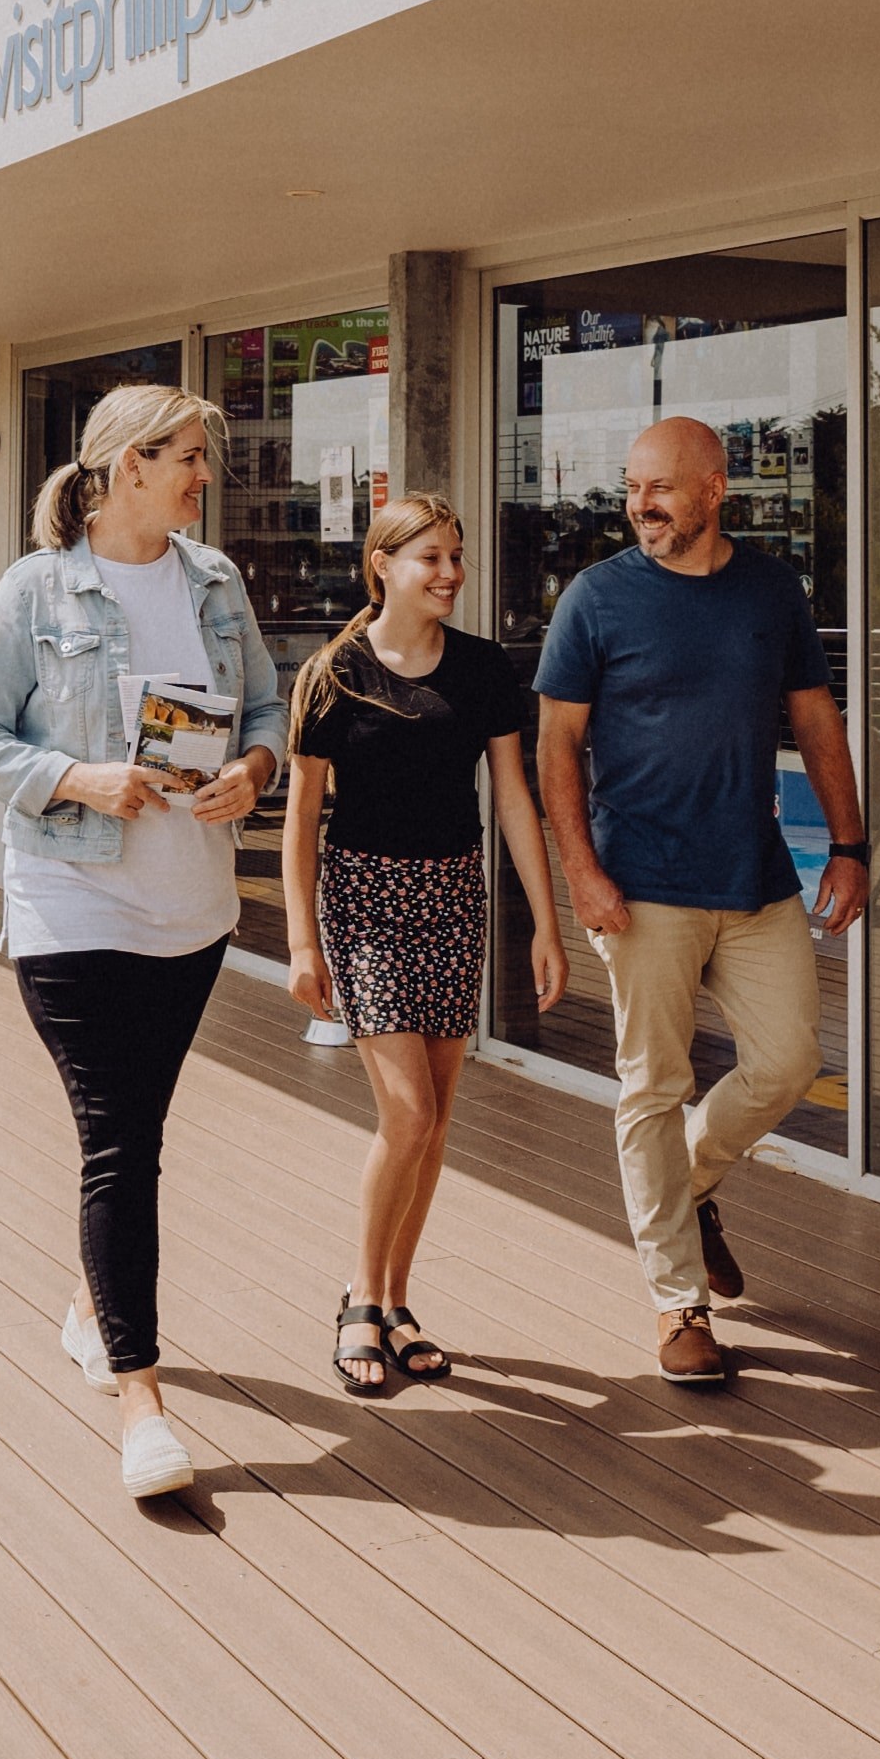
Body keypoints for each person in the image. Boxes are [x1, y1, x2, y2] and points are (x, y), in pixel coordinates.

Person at [0, 380, 277, 1498]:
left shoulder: (216, 580)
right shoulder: (37, 588)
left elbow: (267, 712)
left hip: (194, 911)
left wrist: (252, 772)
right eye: (187, 454)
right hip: (73, 902)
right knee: (120, 1142)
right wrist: (74, 774)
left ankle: (91, 1304)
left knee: (138, 1129)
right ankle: (142, 1401)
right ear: (127, 462)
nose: (203, 474)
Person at [535, 416, 864, 1391]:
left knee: (789, 1059)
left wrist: (848, 844)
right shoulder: (595, 600)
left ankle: (686, 1184)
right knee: (651, 1084)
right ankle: (678, 1302)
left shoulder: (770, 591)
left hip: (754, 876)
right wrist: (580, 871)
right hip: (639, 889)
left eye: (663, 487)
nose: (642, 504)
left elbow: (814, 719)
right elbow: (555, 747)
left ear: (716, 487)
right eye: (633, 486)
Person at [278, 496, 568, 1395]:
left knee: (435, 1121)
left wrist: (546, 924)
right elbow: (298, 821)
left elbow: (514, 798)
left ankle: (398, 1303)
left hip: (453, 893)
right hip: (364, 896)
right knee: (405, 1112)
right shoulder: (332, 673)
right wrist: (301, 941)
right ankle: (360, 1298)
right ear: (382, 566)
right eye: (430, 558)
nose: (449, 572)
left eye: (456, 556)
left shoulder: (482, 668)